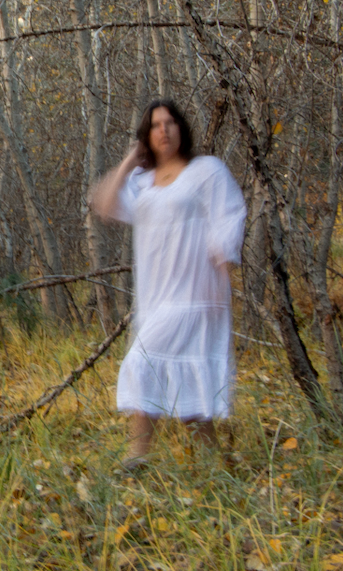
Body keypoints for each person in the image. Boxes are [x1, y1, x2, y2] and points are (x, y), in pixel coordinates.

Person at [91, 99, 246, 468]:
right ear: (147, 135)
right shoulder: (142, 183)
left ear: (181, 128)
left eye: (170, 123)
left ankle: (137, 457)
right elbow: (103, 204)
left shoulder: (206, 171)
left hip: (197, 294)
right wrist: (130, 160)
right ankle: (213, 464)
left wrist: (223, 268)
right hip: (156, 298)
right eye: (156, 125)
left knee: (144, 362)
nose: (164, 130)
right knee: (184, 375)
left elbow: (229, 215)